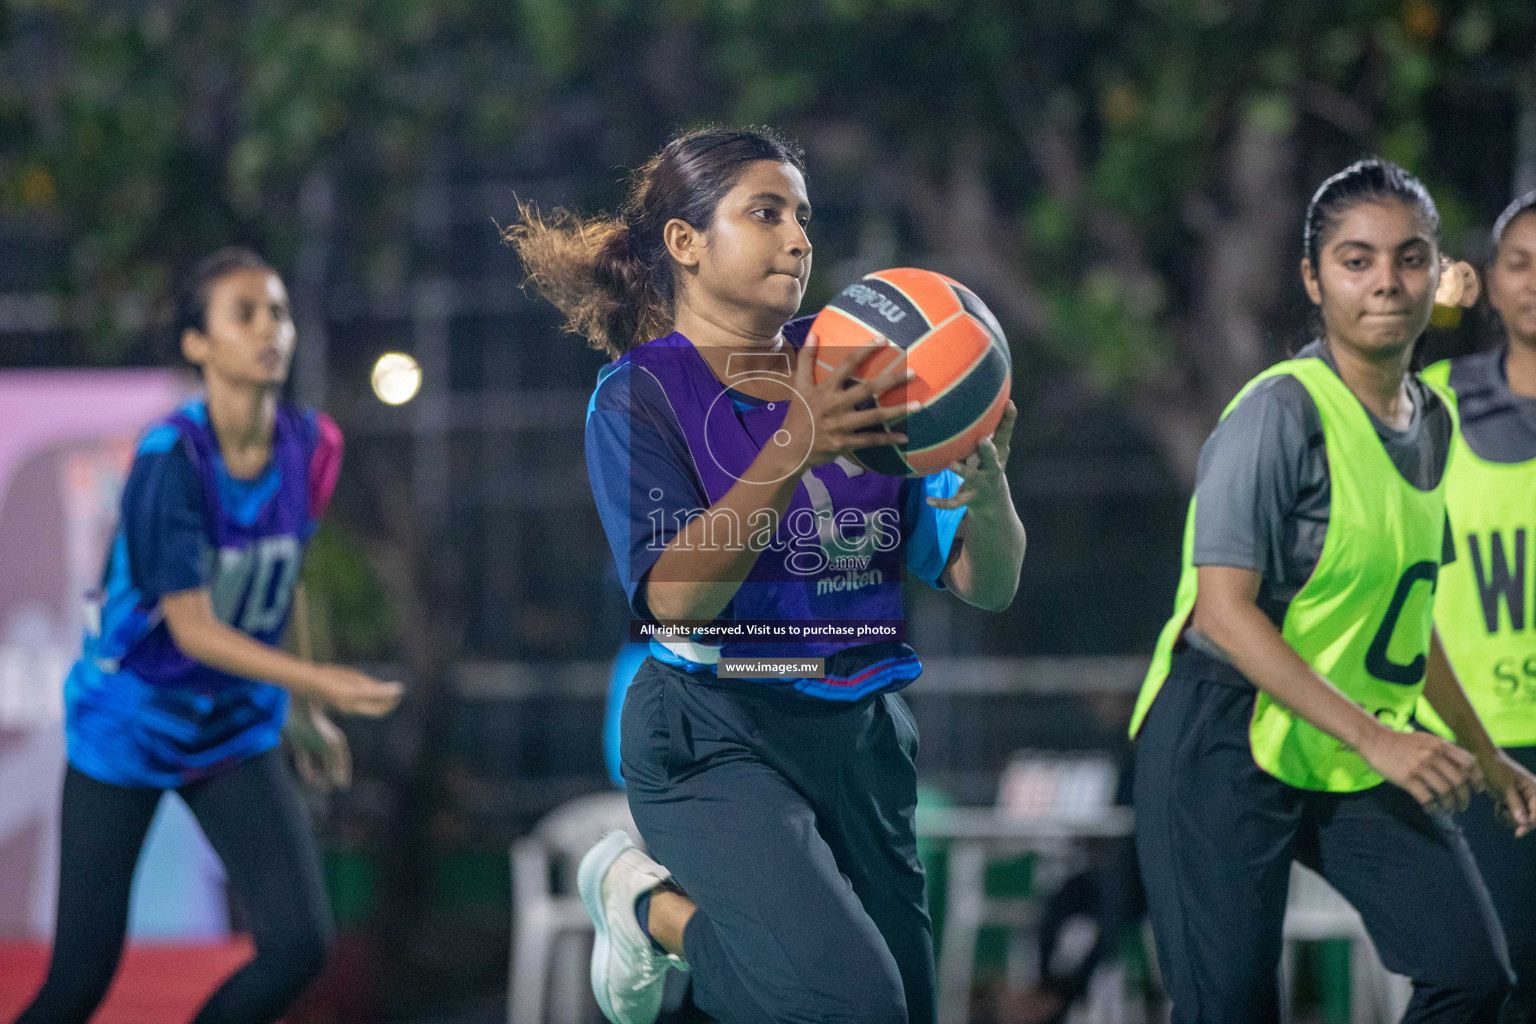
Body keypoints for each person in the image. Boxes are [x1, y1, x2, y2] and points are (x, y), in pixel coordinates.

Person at [509, 126, 1027, 1024]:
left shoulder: (863, 374)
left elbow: (987, 581)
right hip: (716, 730)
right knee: (849, 1001)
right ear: (685, 243)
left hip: (860, 733)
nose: (799, 238)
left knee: (885, 1009)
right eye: (766, 212)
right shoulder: (641, 396)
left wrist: (988, 491)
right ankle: (654, 908)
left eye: (802, 216)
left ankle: (644, 909)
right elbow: (675, 597)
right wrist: (795, 442)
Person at [1129, 158, 1536, 1024]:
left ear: (1439, 275)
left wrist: (1483, 751)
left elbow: (1408, 620)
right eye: (1357, 260)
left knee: (1473, 976)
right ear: (1314, 280)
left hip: (1339, 738)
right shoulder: (1279, 412)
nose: (1386, 280)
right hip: (1220, 738)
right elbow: (1222, 613)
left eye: (1410, 257)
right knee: (1233, 1009)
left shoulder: (1432, 422)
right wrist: (1382, 743)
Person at [15, 248, 404, 1024]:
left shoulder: (313, 445)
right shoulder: (171, 459)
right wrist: (317, 681)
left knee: (299, 946)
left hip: (231, 726)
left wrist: (301, 711)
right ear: (198, 344)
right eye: (245, 314)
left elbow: (280, 582)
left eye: (279, 312)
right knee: (80, 982)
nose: (271, 329)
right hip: (130, 722)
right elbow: (192, 629)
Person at [1418, 190, 1536, 1023]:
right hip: (1478, 744)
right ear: (1490, 283)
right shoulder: (1431, 404)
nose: (1535, 282)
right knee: (1496, 981)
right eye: (1520, 263)